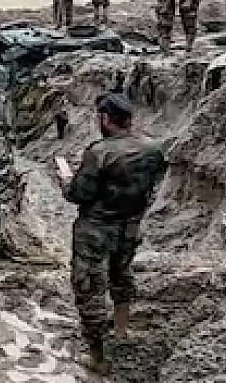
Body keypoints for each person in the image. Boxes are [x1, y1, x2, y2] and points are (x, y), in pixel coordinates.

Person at [58, 93, 167, 375]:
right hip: (129, 225)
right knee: (122, 275)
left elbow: (79, 194)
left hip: (95, 229)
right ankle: (121, 332)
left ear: (105, 119)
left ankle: (97, 356)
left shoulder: (99, 152)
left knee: (89, 288)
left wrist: (65, 178)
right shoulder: (153, 148)